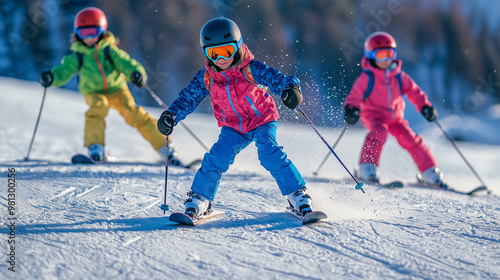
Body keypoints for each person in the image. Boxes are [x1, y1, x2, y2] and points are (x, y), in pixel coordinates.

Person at [157, 18, 312, 218]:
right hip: (233, 126)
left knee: (268, 151)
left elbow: (278, 79)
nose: (221, 58)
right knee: (217, 158)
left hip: (262, 119)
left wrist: (291, 88)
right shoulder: (207, 76)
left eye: (227, 51)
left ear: (237, 46)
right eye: (214, 53)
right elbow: (188, 98)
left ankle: (297, 194)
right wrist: (172, 115)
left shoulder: (250, 68)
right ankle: (200, 198)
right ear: (206, 52)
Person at [38, 7, 180, 164]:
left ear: (102, 31)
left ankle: (165, 147)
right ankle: (95, 149)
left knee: (133, 113)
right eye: (84, 33)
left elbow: (126, 63)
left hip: (117, 89)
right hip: (93, 92)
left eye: (94, 32)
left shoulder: (109, 51)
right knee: (98, 108)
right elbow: (63, 71)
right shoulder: (78, 55)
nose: (89, 38)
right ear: (77, 34)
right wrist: (51, 77)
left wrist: (136, 73)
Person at [343, 31, 447, 188]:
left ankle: (430, 173)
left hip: (395, 118)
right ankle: (367, 169)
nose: (386, 60)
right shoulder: (367, 77)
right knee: (379, 133)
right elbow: (354, 96)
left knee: (411, 140)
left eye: (390, 54)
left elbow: (414, 92)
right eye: (381, 55)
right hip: (373, 117)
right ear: (371, 56)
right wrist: (351, 109)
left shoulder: (399, 76)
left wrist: (425, 106)